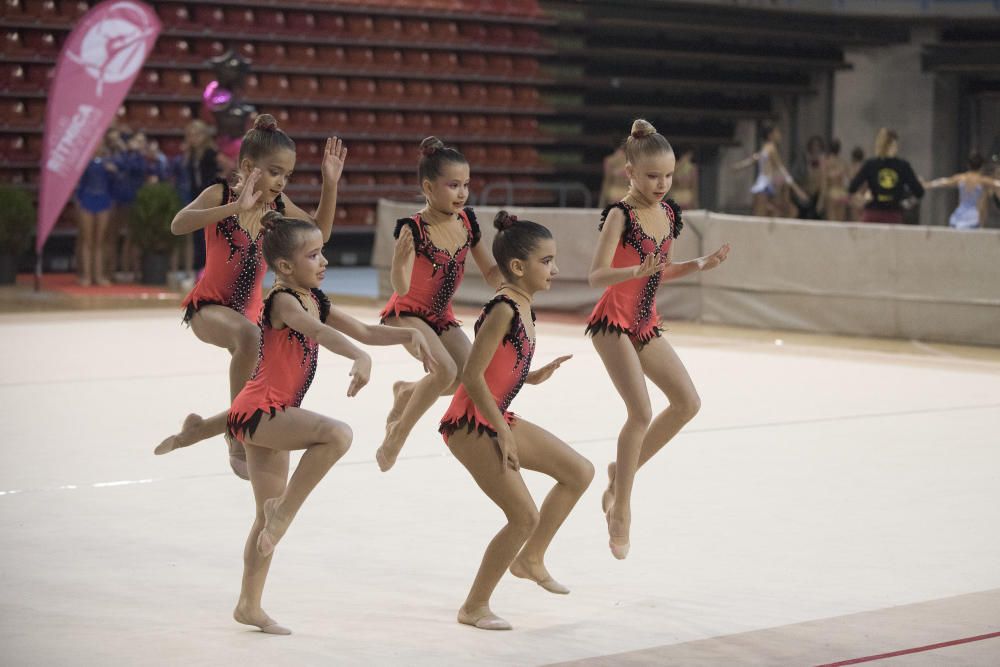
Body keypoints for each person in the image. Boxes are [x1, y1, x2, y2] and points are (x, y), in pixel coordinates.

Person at [155, 211, 435, 635]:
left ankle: (249, 604)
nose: (324, 261)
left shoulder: (315, 298)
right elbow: (316, 333)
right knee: (337, 435)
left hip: (269, 413)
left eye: (323, 252)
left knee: (262, 523)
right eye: (314, 255)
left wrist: (410, 335)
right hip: (264, 411)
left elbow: (362, 328)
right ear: (285, 267)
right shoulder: (284, 300)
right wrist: (359, 357)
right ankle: (283, 512)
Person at [440, 210, 592, 631]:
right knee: (522, 515)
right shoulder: (504, 308)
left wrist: (532, 374)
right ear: (519, 267)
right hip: (471, 424)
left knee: (578, 472)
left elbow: (498, 368)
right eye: (547, 262)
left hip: (494, 414)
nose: (556, 269)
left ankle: (530, 557)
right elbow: (471, 375)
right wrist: (503, 432)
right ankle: (474, 606)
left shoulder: (523, 304)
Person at [172, 113, 346, 478]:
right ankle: (237, 439)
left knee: (271, 383)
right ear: (249, 166)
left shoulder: (278, 209)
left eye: (287, 176)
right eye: (274, 172)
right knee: (248, 336)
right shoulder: (219, 193)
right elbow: (179, 224)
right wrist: (235, 208)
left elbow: (320, 234)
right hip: (209, 308)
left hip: (250, 316)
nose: (281, 182)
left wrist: (329, 184)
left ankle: (202, 428)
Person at [586, 119, 730, 560]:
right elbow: (596, 276)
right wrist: (635, 271)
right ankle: (621, 507)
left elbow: (660, 270)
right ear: (629, 172)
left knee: (687, 402)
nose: (662, 184)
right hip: (613, 321)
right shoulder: (620, 215)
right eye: (652, 176)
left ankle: (620, 472)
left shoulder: (668, 215)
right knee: (641, 411)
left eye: (668, 176)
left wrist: (698, 264)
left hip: (645, 320)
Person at [375, 137, 503, 472]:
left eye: (466, 185)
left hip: (440, 317)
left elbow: (490, 271)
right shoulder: (413, 229)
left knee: (471, 377)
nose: (462, 193)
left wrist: (513, 277)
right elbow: (401, 288)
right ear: (429, 187)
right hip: (406, 315)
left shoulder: (467, 221)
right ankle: (397, 435)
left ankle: (407, 393)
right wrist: (398, 262)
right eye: (453, 185)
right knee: (444, 370)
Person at [848, 128, 924, 224]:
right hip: (893, 214)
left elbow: (852, 188)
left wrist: (862, 201)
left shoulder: (870, 164)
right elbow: (919, 192)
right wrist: (905, 204)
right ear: (894, 144)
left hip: (873, 213)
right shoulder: (903, 166)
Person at [733, 123, 806, 217]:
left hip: (769, 184)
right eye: (777, 132)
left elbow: (756, 159)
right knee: (762, 216)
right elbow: (781, 169)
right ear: (770, 135)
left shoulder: (767, 148)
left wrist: (739, 166)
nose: (780, 135)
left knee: (777, 212)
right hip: (765, 184)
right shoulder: (770, 148)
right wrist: (797, 190)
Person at [74, 136, 117, 286]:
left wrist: (112, 171)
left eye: (100, 142)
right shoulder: (85, 162)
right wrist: (79, 201)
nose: (97, 144)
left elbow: (113, 184)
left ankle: (99, 275)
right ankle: (86, 275)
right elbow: (80, 184)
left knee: (100, 241)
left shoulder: (108, 163)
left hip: (103, 199)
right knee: (87, 240)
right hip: (87, 198)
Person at [923, 152, 1000, 229]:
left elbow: (943, 182)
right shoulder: (982, 180)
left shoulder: (961, 178)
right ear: (982, 167)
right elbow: (997, 184)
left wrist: (928, 184)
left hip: (959, 214)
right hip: (973, 216)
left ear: (968, 165)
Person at [818, 139, 850, 222]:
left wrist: (820, 201)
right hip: (842, 194)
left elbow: (824, 182)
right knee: (841, 224)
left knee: (832, 223)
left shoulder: (826, 162)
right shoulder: (843, 163)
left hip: (832, 194)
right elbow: (847, 181)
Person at [598, 144, 630, 208]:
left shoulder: (609, 160)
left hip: (623, 192)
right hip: (620, 192)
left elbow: (607, 182)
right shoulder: (610, 160)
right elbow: (607, 182)